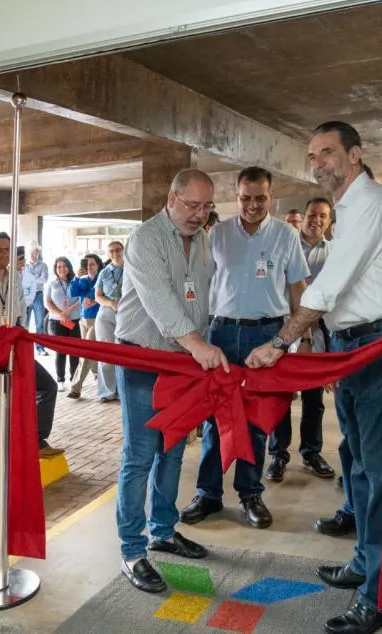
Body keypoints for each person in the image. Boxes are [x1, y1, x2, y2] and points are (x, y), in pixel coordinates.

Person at [245, 122, 382, 634]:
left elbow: (325, 291)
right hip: (353, 351)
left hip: (380, 349)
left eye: (328, 152)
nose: (318, 162)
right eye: (312, 155)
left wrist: (278, 343)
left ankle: (381, 597)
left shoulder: (372, 203)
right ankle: (366, 563)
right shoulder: (349, 210)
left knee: (381, 475)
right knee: (359, 466)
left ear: (356, 155)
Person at [114, 168, 229, 593]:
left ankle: (163, 530)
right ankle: (132, 549)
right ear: (171, 199)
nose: (199, 215)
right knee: (140, 454)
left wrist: (203, 345)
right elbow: (161, 301)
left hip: (184, 364)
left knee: (174, 452)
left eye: (206, 207)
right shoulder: (145, 238)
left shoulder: (202, 239)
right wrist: (199, 345)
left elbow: (202, 297)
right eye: (192, 205)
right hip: (143, 359)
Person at [180, 166, 309, 531]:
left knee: (255, 420)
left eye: (260, 198)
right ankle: (208, 494)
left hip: (266, 334)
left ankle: (250, 493)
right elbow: (203, 286)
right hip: (221, 332)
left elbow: (298, 290)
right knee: (213, 419)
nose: (252, 205)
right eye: (245, 198)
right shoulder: (216, 234)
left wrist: (294, 340)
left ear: (272, 196)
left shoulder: (286, 235)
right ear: (236, 196)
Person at [266, 197, 337, 483]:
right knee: (281, 396)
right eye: (311, 214)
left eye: (322, 216)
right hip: (283, 330)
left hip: (317, 333)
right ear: (302, 216)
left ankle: (311, 452)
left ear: (328, 221)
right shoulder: (284, 247)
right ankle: (278, 454)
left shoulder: (333, 254)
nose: (315, 220)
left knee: (313, 397)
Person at [0, 232, 62, 456]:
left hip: (13, 345)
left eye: (7, 250)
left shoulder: (15, 278)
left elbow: (20, 312)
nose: (4, 255)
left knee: (48, 386)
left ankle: (36, 441)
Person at [67, 254, 103, 399]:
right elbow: (73, 293)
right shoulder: (82, 280)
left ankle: (76, 387)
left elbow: (108, 295)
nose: (89, 267)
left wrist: (95, 300)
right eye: (86, 264)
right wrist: (76, 276)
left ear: (98, 265)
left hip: (97, 320)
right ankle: (99, 378)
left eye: (92, 264)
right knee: (91, 352)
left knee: (86, 351)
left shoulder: (102, 278)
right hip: (83, 320)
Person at [94, 241, 124, 402]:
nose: (115, 253)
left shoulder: (131, 269)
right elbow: (97, 296)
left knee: (123, 353)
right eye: (111, 251)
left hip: (126, 313)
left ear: (123, 251)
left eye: (118, 250)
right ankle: (106, 391)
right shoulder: (104, 272)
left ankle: (122, 390)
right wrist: (111, 303)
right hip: (106, 313)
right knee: (105, 354)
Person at [44, 256, 81, 388]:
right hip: (56, 321)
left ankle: (74, 379)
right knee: (60, 351)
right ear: (55, 269)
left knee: (74, 351)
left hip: (74, 319)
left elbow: (81, 299)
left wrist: (69, 311)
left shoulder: (76, 282)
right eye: (59, 267)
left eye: (64, 266)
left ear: (69, 267)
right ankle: (60, 380)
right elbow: (48, 303)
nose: (61, 269)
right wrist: (60, 314)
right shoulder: (52, 283)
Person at [25, 242, 49, 355]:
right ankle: (24, 347)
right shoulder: (24, 265)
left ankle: (40, 348)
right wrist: (36, 278)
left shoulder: (43, 265)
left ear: (37, 252)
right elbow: (24, 280)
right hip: (26, 295)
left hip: (38, 295)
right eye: (30, 252)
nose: (32, 254)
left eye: (34, 252)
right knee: (25, 323)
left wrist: (31, 279)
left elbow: (44, 280)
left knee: (39, 323)